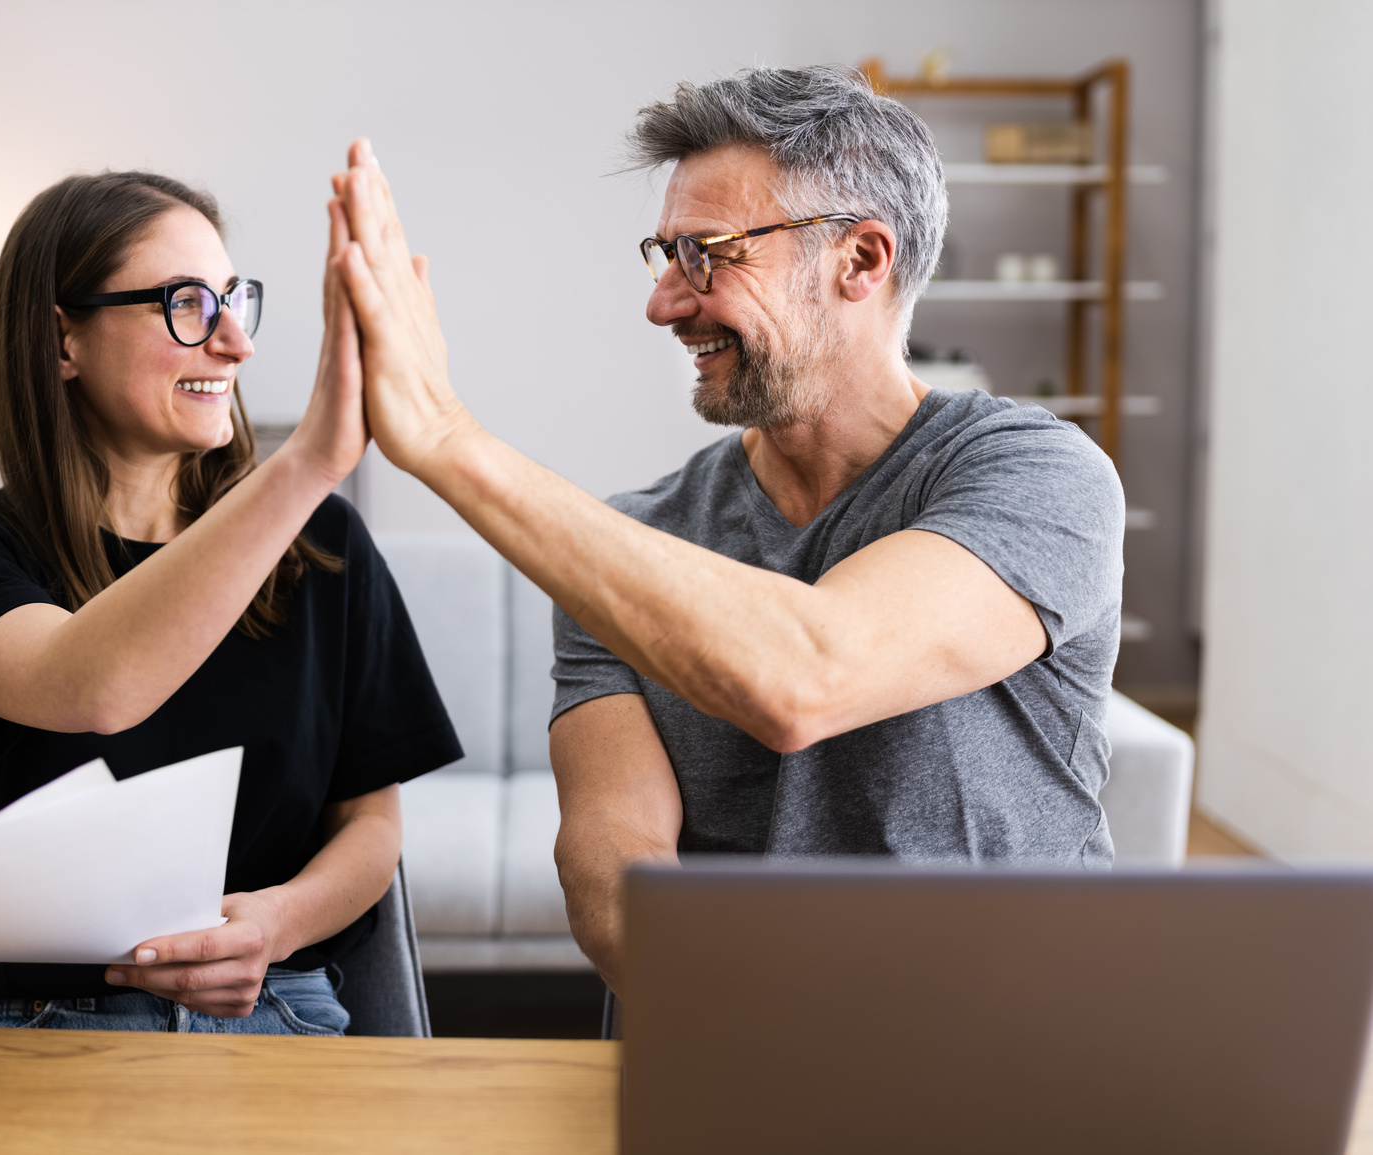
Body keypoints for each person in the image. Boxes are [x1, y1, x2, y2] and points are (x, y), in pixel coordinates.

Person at [329, 65, 1123, 995]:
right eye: (664, 255)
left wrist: (447, 441)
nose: (666, 302)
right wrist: (733, 1026)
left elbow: (805, 675)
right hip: (717, 1031)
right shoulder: (634, 545)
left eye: (708, 252)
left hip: (997, 1049)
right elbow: (612, 850)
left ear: (862, 261)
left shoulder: (1038, 477)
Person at [0, 171, 462, 1034]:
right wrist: (309, 458)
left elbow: (373, 827)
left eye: (234, 300)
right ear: (62, 341)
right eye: (186, 304)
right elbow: (90, 684)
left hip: (280, 1005)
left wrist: (275, 924)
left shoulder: (323, 545)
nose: (234, 342)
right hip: (51, 1028)